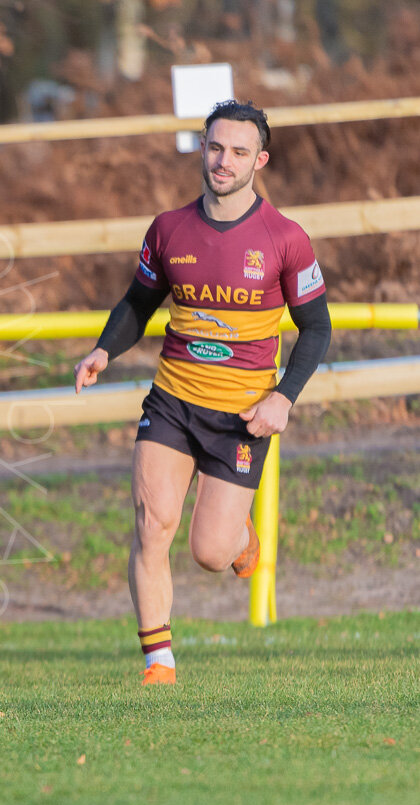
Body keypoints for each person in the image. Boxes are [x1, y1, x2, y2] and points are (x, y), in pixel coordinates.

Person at [72, 100, 331, 686]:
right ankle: (157, 662)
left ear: (259, 160)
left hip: (242, 415)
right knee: (151, 522)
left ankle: (240, 539)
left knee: (211, 553)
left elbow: (316, 327)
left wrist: (284, 397)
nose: (224, 160)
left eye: (239, 151)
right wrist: (103, 351)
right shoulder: (169, 229)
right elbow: (139, 303)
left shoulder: (285, 238)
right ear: (203, 148)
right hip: (172, 401)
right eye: (215, 147)